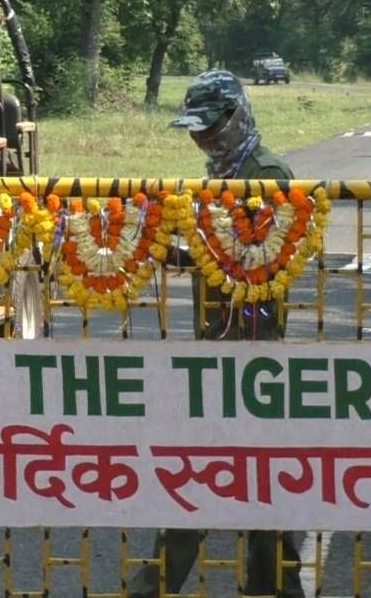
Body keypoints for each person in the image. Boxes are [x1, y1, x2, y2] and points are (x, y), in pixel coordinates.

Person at [128, 69, 300, 598]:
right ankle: (169, 582)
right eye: (194, 130)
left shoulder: (266, 172)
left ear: (236, 115)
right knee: (210, 468)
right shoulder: (219, 174)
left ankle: (263, 585)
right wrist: (165, 246)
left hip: (254, 345)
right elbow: (216, 254)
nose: (200, 137)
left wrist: (194, 246)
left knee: (248, 472)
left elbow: (255, 256)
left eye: (208, 127)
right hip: (215, 342)